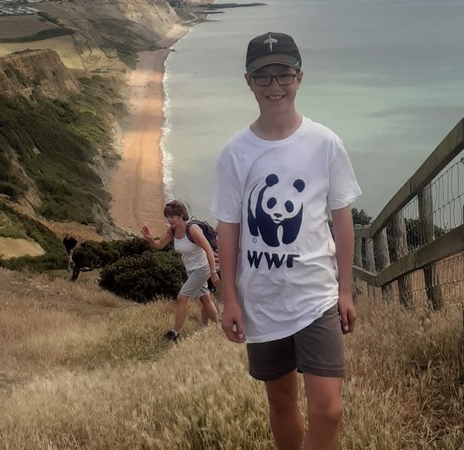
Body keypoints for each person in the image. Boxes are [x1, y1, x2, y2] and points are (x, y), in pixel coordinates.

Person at [210, 32, 362, 449]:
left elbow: (342, 219)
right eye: (263, 76)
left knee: (328, 410)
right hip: (262, 299)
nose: (274, 86)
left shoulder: (325, 143)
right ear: (248, 81)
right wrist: (230, 298)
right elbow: (229, 229)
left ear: (300, 78)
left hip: (316, 295)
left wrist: (345, 290)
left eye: (284, 74)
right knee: (280, 402)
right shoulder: (235, 153)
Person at [142, 200, 220, 342]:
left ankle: (175, 333)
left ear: (181, 216)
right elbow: (159, 245)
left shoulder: (192, 229)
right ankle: (217, 327)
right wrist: (150, 240)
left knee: (182, 297)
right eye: (168, 217)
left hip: (202, 269)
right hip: (191, 270)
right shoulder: (172, 230)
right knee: (205, 299)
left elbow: (208, 249)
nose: (169, 220)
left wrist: (213, 272)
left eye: (172, 217)